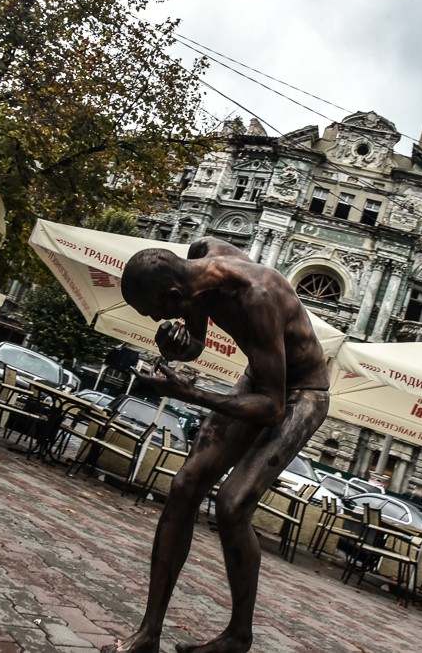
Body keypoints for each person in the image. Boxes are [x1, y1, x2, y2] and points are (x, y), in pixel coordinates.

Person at [104, 237, 330, 653]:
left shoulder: (257, 297)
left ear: (173, 294)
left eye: (156, 310)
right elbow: (194, 342)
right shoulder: (199, 259)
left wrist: (189, 394)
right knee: (186, 484)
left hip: (301, 393)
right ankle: (147, 634)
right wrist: (179, 349)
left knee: (232, 504)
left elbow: (271, 407)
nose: (157, 318)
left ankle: (238, 636)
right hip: (259, 379)